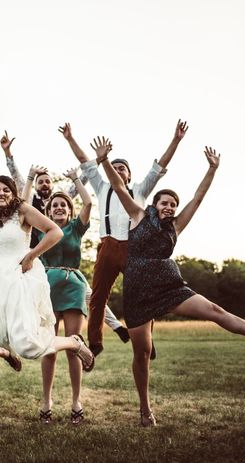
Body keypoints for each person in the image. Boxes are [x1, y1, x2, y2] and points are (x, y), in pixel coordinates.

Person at [98, 141, 245, 426]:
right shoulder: (138, 216)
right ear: (154, 204)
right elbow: (119, 187)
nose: (169, 207)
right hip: (138, 291)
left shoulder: (177, 226)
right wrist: (105, 160)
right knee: (142, 352)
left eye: (173, 204)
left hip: (170, 287)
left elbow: (198, 197)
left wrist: (212, 169)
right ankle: (145, 410)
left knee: (215, 311)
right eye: (165, 202)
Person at [0, 125, 94, 408]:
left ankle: (74, 343)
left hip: (19, 280)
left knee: (28, 346)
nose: (1, 192)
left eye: (6, 189)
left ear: (13, 193)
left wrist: (31, 256)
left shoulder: (23, 212)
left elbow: (54, 232)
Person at [60, 120, 188, 357]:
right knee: (97, 295)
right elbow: (85, 163)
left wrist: (176, 140)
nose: (118, 170)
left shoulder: (140, 190)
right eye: (115, 166)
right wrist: (70, 138)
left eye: (122, 168)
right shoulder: (101, 187)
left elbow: (159, 166)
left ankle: (146, 340)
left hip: (134, 248)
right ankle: (95, 342)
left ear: (129, 175)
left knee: (143, 294)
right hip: (108, 245)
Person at [0, 131, 130, 343]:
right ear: (36, 186)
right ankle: (10, 335)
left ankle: (116, 325)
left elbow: (84, 176)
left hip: (62, 257)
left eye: (48, 181)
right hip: (37, 258)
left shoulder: (61, 201)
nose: (45, 184)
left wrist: (98, 161)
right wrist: (8, 153)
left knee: (88, 293)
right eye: (41, 182)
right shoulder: (30, 204)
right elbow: (16, 181)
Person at [38, 168, 93, 425]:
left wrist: (75, 179)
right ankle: (46, 402)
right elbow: (25, 206)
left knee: (73, 346)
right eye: (54, 205)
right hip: (46, 288)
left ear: (69, 211)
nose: (59, 208)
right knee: (49, 346)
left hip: (73, 288)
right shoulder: (41, 230)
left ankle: (76, 402)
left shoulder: (75, 229)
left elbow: (89, 202)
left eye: (63, 205)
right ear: (48, 212)